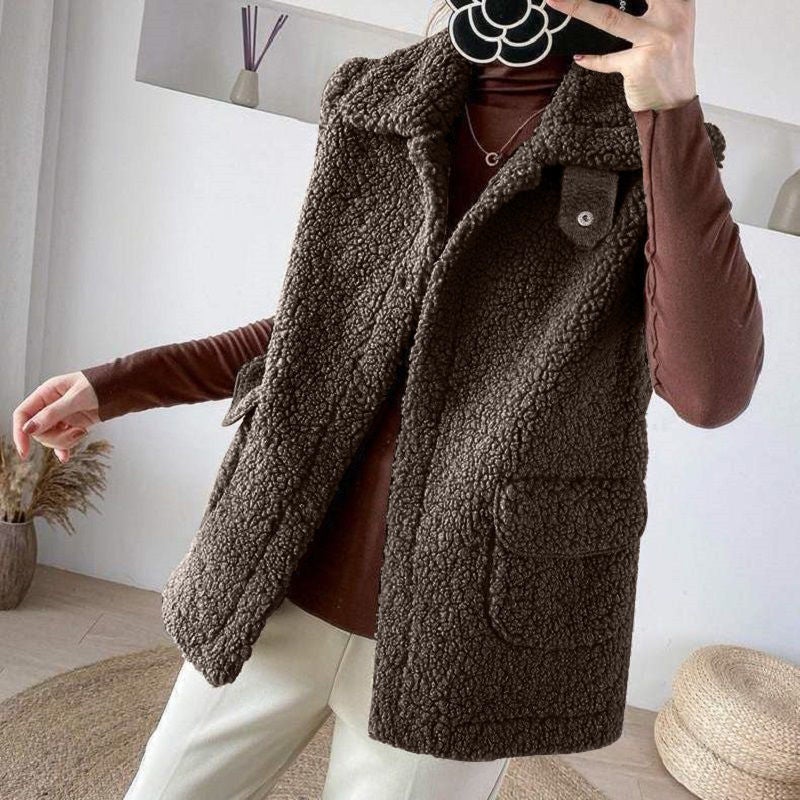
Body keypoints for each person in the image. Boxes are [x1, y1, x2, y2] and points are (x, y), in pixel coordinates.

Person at [12, 1, 764, 797]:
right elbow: (326, 328)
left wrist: (670, 112)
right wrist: (119, 383)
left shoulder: (650, 148)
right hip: (280, 576)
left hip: (469, 625)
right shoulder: (374, 106)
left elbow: (710, 390)